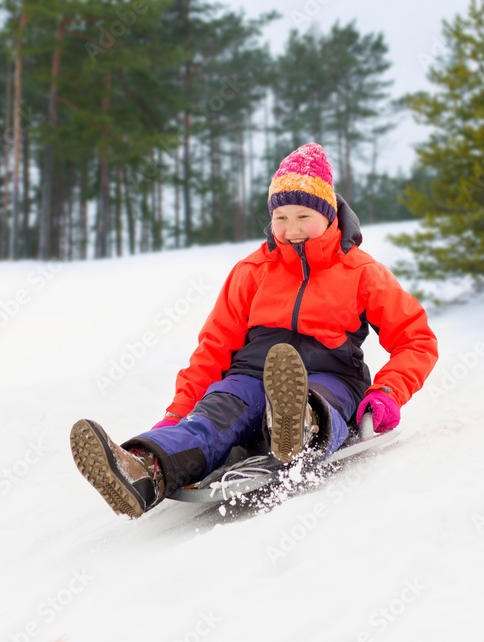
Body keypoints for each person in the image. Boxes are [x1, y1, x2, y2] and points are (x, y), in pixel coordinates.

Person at [70, 143, 439, 518]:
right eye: (281, 217)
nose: (291, 229)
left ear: (330, 216)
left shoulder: (361, 272)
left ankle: (298, 427)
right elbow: (213, 348)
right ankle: (145, 469)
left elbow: (416, 339)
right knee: (212, 417)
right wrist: (177, 414)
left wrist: (388, 391)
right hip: (249, 374)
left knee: (316, 401)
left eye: (303, 216)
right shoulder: (252, 271)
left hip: (333, 374)